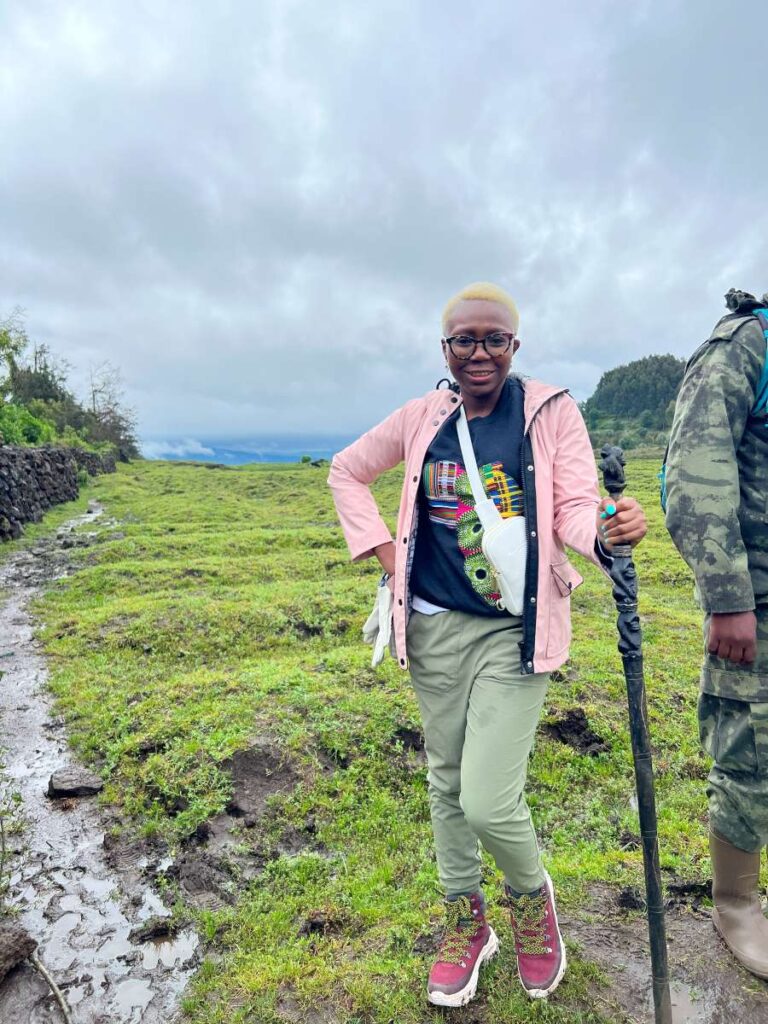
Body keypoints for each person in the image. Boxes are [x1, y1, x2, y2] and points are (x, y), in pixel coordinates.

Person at [328, 282, 647, 1006]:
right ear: (444, 349)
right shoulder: (421, 418)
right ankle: (465, 919)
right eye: (463, 340)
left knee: (486, 799)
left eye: (493, 340)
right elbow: (347, 470)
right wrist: (385, 554)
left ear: (515, 346)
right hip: (435, 626)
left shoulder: (549, 413)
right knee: (445, 779)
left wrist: (601, 532)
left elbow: (571, 503)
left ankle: (533, 907)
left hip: (516, 630)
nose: (478, 353)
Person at [665, 287, 768, 980]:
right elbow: (694, 477)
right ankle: (737, 903)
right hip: (757, 598)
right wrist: (729, 598)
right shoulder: (746, 346)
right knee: (749, 745)